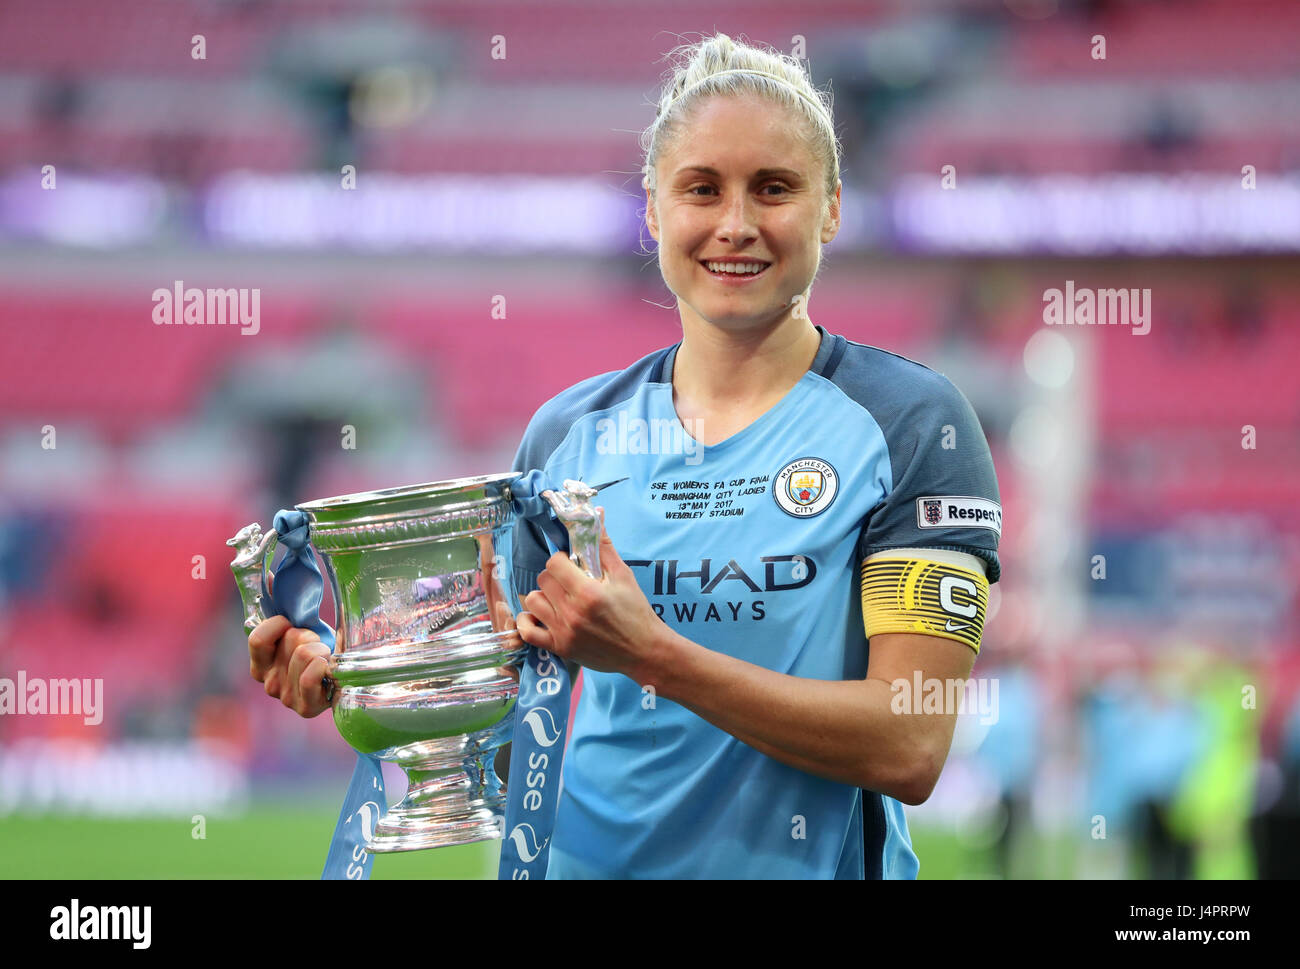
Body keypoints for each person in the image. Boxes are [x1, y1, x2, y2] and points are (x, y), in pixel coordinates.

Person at [249, 32, 1002, 879]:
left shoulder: (910, 423)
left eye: (775, 189)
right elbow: (508, 732)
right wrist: (362, 682)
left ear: (830, 208)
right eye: (702, 189)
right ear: (653, 211)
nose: (737, 224)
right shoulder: (568, 434)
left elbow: (910, 742)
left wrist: (652, 653)